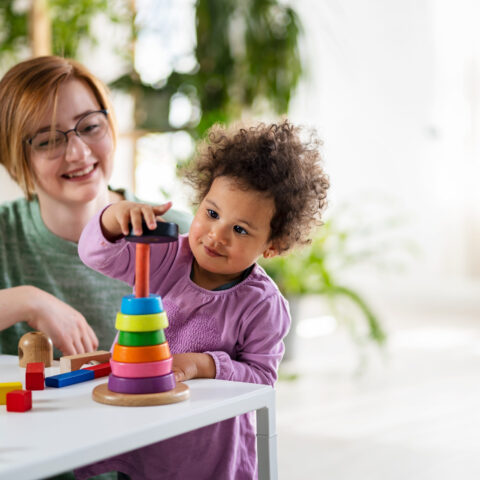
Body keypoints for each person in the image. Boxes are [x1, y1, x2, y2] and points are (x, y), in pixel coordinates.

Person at [76, 120, 330, 480]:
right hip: (141, 428)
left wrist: (204, 365)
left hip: (206, 450)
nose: (216, 235)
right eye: (211, 213)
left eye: (240, 229)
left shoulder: (263, 305)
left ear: (272, 246)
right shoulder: (165, 256)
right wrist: (112, 221)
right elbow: (96, 255)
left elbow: (260, 380)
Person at [0, 56, 191, 358]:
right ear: (13, 158)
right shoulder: (5, 235)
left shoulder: (179, 234)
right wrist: (28, 301)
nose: (78, 152)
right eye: (48, 141)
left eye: (89, 126)